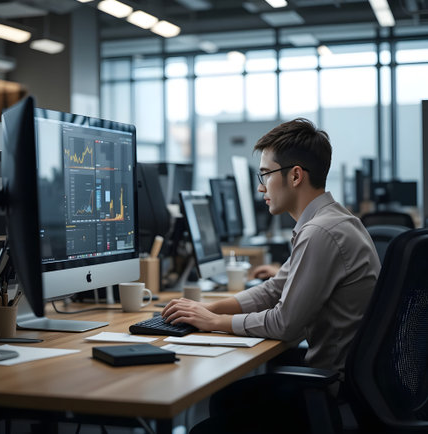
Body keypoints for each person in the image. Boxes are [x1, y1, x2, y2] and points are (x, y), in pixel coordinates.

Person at [162, 118, 381, 433]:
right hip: (351, 386)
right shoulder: (330, 220)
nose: (260, 186)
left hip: (335, 392)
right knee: (229, 400)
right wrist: (208, 309)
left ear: (295, 176)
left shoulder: (321, 231)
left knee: (213, 419)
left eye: (265, 174)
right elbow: (274, 289)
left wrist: (213, 323)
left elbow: (285, 323)